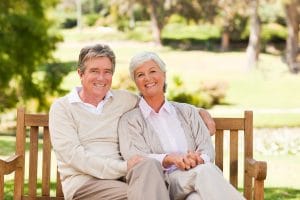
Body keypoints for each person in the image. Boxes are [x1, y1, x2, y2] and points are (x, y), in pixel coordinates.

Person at [49, 44, 215, 200]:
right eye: (94, 71)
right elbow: (75, 156)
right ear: (80, 74)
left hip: (126, 178)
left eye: (107, 72)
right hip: (86, 183)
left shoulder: (122, 100)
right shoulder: (62, 108)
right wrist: (123, 167)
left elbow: (157, 100)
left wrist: (199, 112)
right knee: (151, 192)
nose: (101, 78)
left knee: (149, 165)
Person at [118, 51, 245, 200]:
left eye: (153, 71)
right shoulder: (130, 120)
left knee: (196, 198)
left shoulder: (188, 112)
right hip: (162, 184)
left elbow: (207, 150)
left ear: (164, 75)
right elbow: (135, 157)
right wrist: (170, 159)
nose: (147, 78)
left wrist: (197, 159)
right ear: (136, 82)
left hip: (194, 180)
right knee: (205, 171)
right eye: (140, 75)